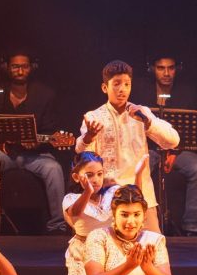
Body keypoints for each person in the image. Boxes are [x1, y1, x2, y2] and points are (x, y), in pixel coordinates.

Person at [0, 52, 70, 233]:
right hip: (5, 153)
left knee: (53, 169)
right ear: (6, 68)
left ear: (31, 68)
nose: (20, 70)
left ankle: (58, 225)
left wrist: (36, 143)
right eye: (15, 66)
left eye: (24, 66)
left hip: (36, 155)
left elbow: (50, 130)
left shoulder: (45, 95)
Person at [76, 60, 179, 234]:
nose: (122, 89)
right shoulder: (94, 116)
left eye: (126, 84)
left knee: (154, 253)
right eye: (116, 84)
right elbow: (82, 155)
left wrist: (148, 122)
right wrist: (88, 137)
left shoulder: (141, 112)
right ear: (104, 88)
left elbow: (172, 141)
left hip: (141, 194)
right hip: (108, 198)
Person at [143, 55, 197, 237]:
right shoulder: (142, 92)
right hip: (149, 149)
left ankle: (191, 227)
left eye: (170, 68)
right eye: (161, 68)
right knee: (139, 168)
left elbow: (189, 129)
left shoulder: (187, 93)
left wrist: (173, 151)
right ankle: (141, 223)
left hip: (180, 150)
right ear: (152, 69)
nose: (166, 73)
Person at [60, 152, 118, 275]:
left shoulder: (111, 194)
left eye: (100, 174)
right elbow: (75, 213)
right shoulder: (71, 199)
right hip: (82, 252)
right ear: (77, 177)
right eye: (90, 175)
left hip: (107, 250)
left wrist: (138, 175)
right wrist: (87, 192)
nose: (96, 179)